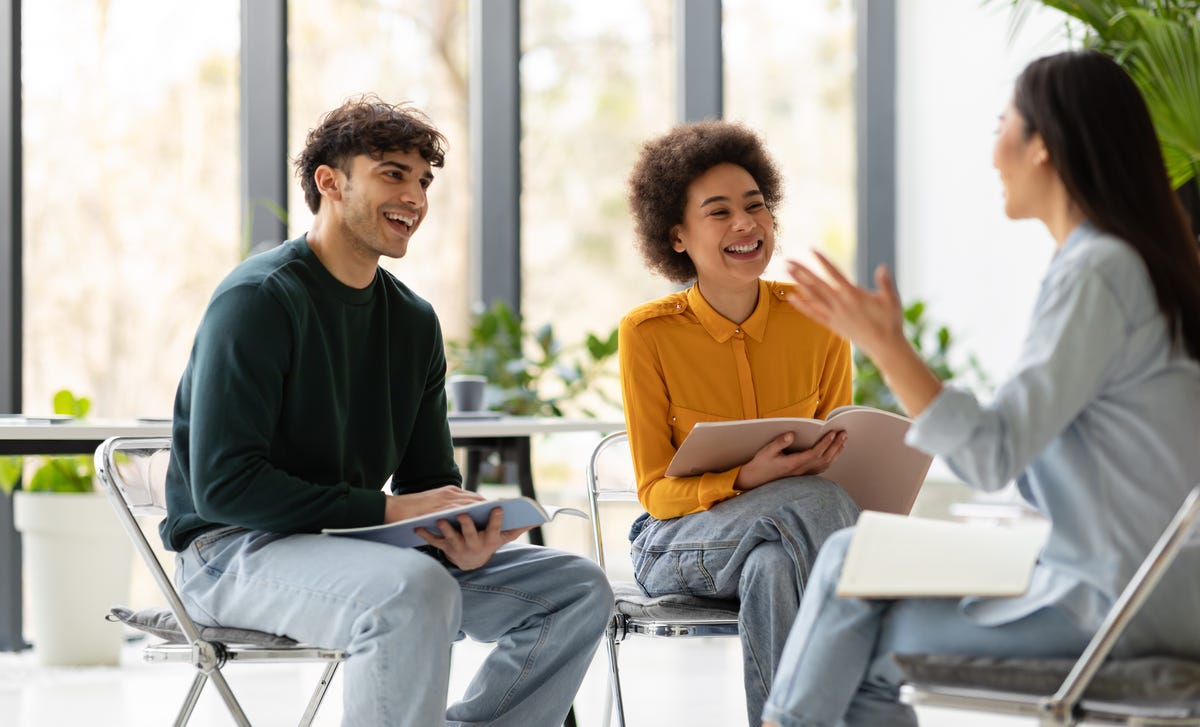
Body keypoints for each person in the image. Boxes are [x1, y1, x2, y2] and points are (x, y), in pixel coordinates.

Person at [762, 49, 1200, 727]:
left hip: (1116, 604)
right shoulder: (1133, 265)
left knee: (853, 604)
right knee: (857, 599)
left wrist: (887, 345)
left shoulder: (1098, 272)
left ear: (1044, 147)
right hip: (1150, 592)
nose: (994, 152)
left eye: (1004, 125)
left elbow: (994, 454)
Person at [160, 95, 613, 727]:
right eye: (392, 174)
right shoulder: (259, 300)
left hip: (360, 551)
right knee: (413, 588)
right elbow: (223, 487)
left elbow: (426, 481)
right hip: (232, 554)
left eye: (423, 181)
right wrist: (392, 510)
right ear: (330, 183)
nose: (415, 198)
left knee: (575, 587)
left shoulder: (413, 321)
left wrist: (462, 536)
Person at [619, 120, 862, 725]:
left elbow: (843, 459)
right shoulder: (647, 334)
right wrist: (746, 480)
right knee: (811, 503)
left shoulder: (819, 322)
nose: (746, 224)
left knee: (775, 566)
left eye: (756, 206)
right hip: (677, 543)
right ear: (677, 237)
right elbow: (656, 492)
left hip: (793, 536)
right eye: (719, 212)